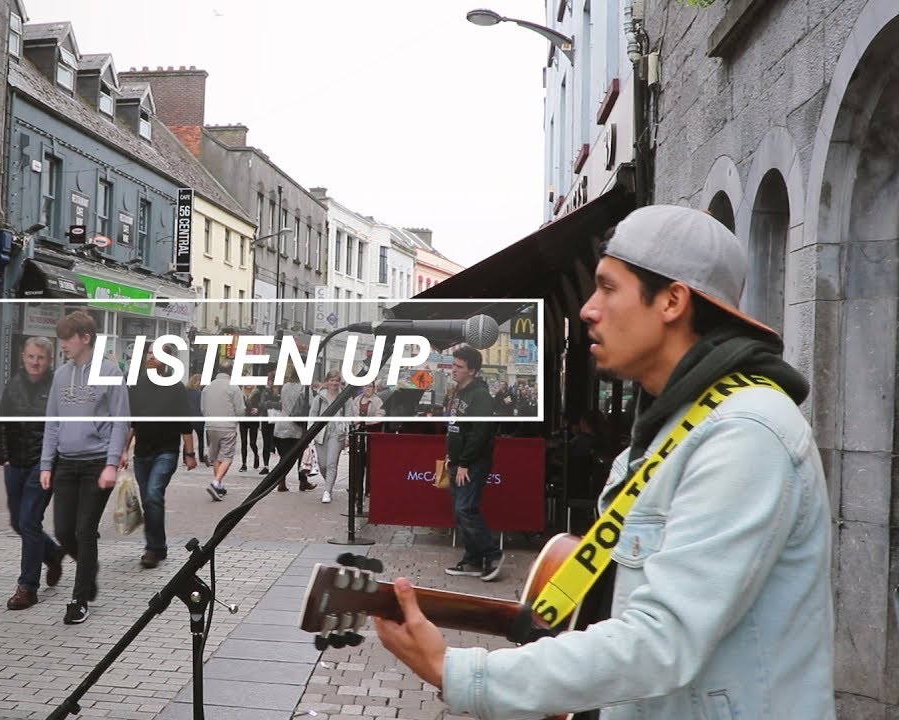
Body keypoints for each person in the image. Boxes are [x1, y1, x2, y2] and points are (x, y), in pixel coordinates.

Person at [375, 205, 834, 719]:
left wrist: (460, 672)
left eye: (608, 289)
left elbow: (660, 642)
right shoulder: (675, 425)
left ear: (672, 301)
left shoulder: (745, 433)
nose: (588, 310)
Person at [39, 311, 130, 625]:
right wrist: (46, 464)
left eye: (68, 338)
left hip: (96, 463)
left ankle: (79, 600)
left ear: (86, 338)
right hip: (66, 463)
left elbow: (120, 421)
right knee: (63, 531)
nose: (63, 344)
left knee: (84, 530)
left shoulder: (110, 372)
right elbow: (52, 422)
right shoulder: (61, 375)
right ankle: (88, 570)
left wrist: (111, 464)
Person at [0, 337, 63, 611]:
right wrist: (4, 456)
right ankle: (53, 553)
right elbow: (2, 422)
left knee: (29, 521)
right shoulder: (13, 385)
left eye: (41, 358)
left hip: (42, 463)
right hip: (15, 463)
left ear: (50, 360)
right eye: (31, 357)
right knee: (18, 522)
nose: (35, 362)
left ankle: (27, 588)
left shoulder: (57, 387)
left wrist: (52, 462)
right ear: (23, 357)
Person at [122, 343, 197, 569]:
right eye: (150, 353)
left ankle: (152, 549)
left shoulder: (175, 388)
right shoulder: (137, 386)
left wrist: (190, 453)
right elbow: (132, 422)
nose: (151, 357)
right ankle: (159, 545)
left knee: (154, 495)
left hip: (166, 451)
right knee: (149, 501)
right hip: (142, 453)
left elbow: (184, 423)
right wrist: (123, 450)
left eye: (157, 354)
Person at [439, 345, 500, 580]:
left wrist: (464, 462)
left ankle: (493, 555)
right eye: (453, 365)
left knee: (466, 509)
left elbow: (480, 432)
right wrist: (451, 455)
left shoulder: (480, 396)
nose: (453, 369)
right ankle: (472, 561)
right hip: (459, 461)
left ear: (472, 370)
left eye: (459, 366)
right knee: (460, 512)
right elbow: (456, 428)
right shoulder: (458, 392)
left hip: (473, 463)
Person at [200, 362, 245, 500]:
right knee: (226, 457)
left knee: (215, 456)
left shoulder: (207, 387)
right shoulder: (234, 387)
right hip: (227, 426)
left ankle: (218, 486)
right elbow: (240, 410)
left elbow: (202, 408)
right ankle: (215, 482)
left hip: (211, 426)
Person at [273, 365, 317, 492]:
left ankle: (281, 482)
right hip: (297, 427)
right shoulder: (304, 387)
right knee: (300, 455)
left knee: (284, 457)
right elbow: (312, 404)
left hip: (282, 425)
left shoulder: (285, 386)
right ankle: (303, 481)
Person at [310, 371, 351, 504]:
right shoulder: (319, 397)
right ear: (327, 381)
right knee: (322, 464)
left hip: (337, 432)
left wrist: (348, 435)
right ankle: (329, 484)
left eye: (337, 380)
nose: (334, 383)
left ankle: (327, 491)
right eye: (332, 380)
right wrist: (310, 435)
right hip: (320, 432)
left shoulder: (345, 398)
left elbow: (349, 417)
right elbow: (312, 416)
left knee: (331, 463)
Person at [186, 374, 207, 464]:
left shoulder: (185, 392)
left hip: (188, 418)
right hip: (199, 418)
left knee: (187, 437)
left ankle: (185, 458)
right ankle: (201, 457)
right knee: (201, 438)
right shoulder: (200, 393)